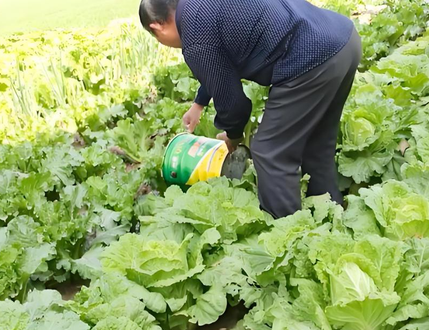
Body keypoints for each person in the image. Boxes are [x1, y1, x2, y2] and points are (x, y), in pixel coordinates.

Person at [139, 0, 361, 218]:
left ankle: (289, 236)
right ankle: (331, 214)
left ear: (156, 27)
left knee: (270, 151)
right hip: (343, 40)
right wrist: (199, 103)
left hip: (310, 59)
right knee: (318, 141)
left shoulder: (194, 35)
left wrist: (233, 136)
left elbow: (233, 104)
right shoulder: (200, 8)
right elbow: (218, 63)